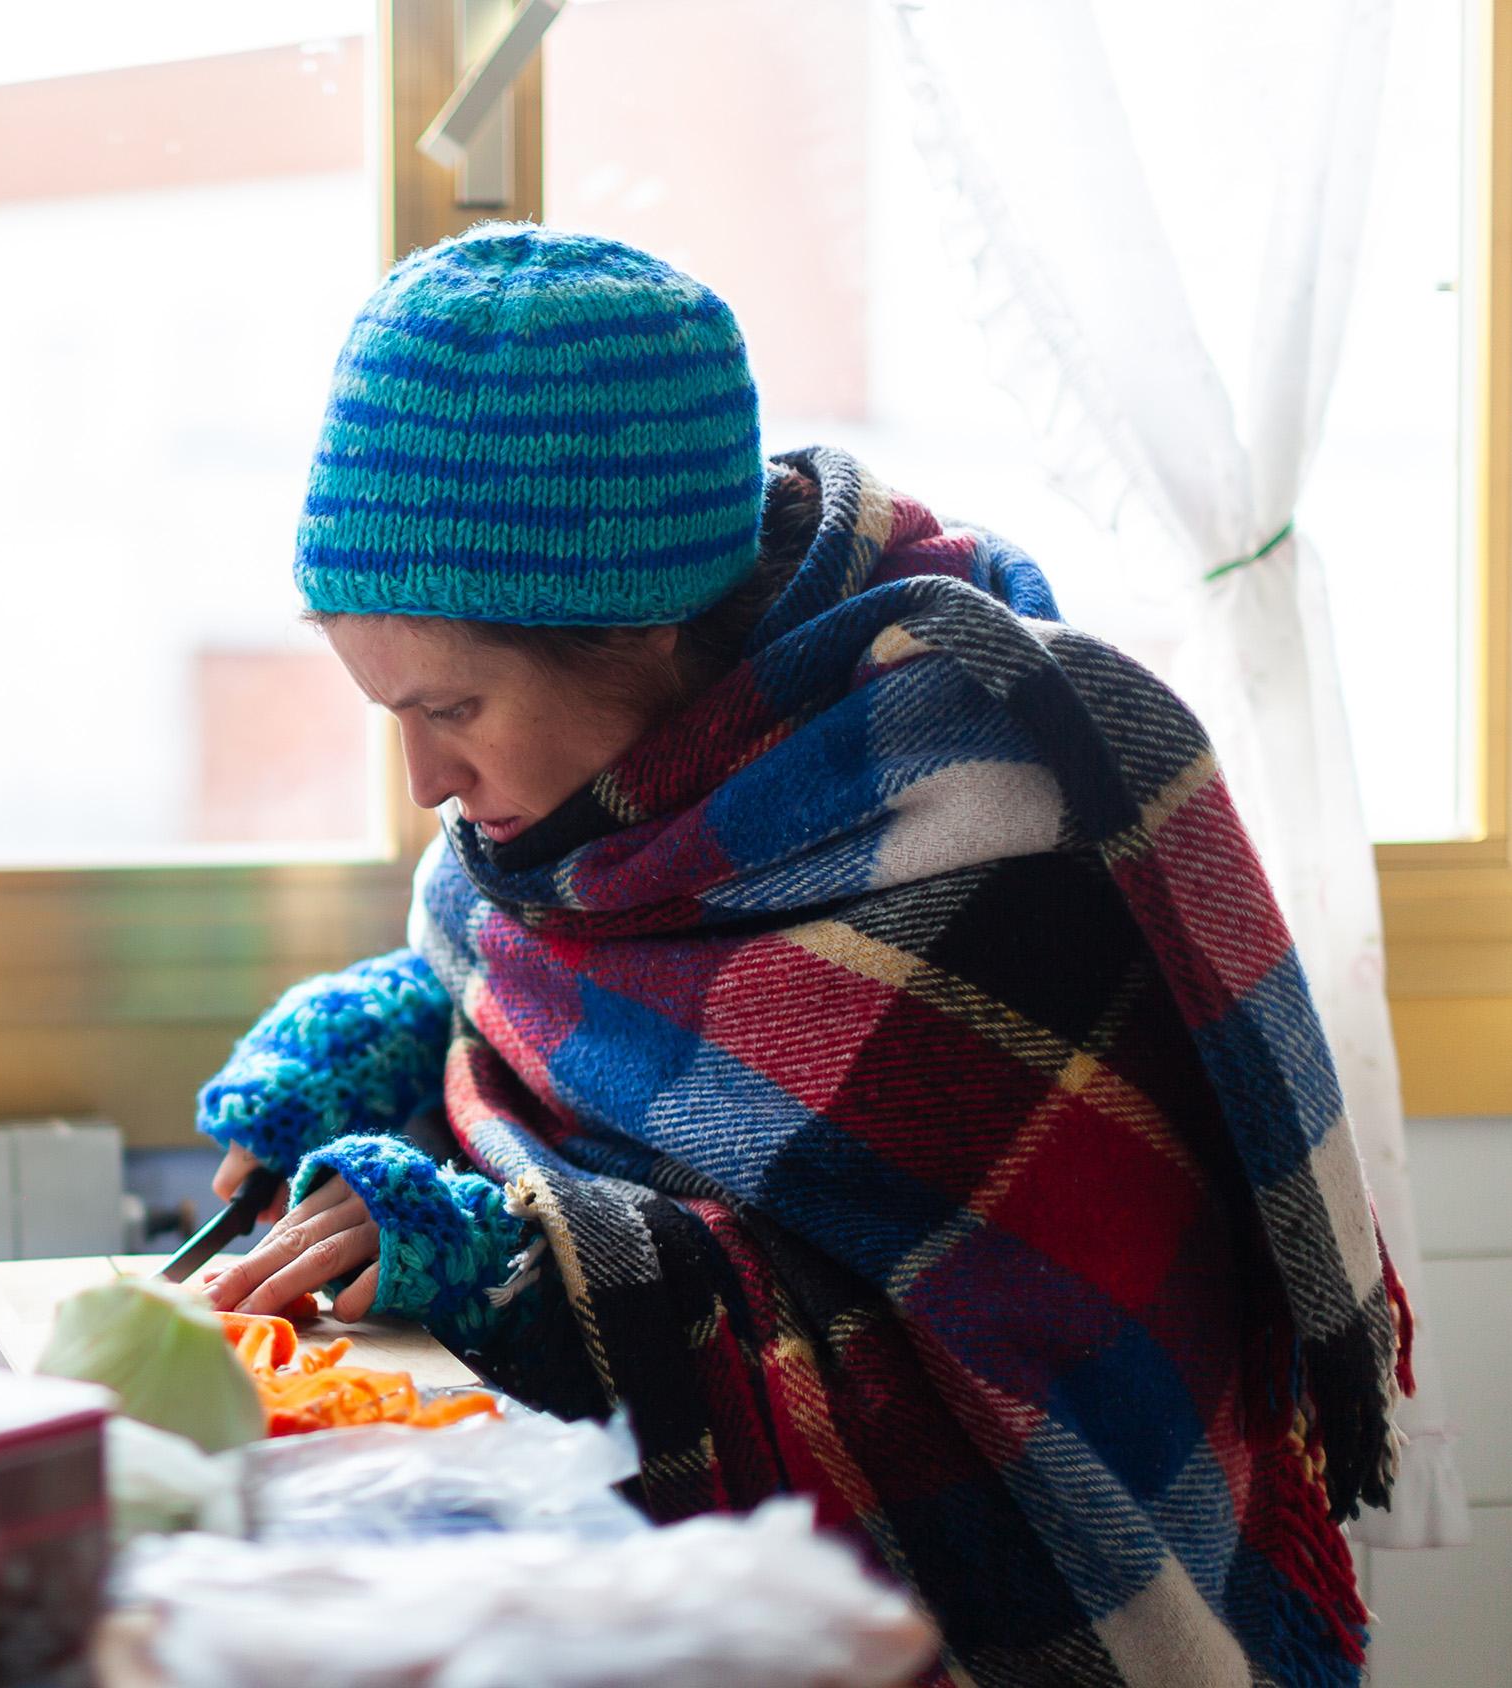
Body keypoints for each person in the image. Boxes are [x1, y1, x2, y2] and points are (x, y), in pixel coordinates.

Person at [196, 225, 1413, 1687]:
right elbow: (543, 969)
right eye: (382, 707)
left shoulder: (987, 833)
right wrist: (396, 1013)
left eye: (448, 707)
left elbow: (932, 1377)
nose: (423, 785)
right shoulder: (594, 805)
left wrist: (524, 1267)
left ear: (636, 634)